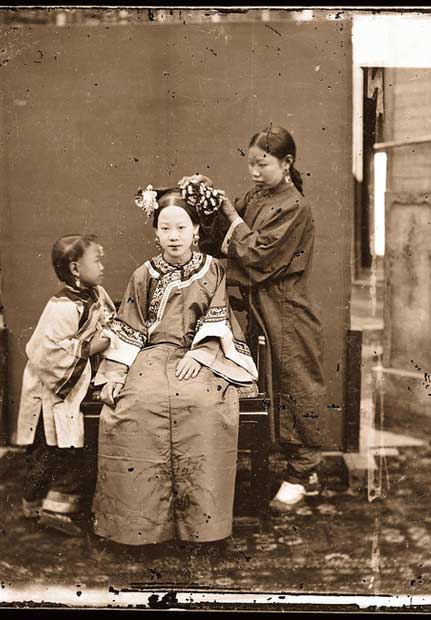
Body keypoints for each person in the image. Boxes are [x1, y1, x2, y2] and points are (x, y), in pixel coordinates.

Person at [92, 184, 257, 549]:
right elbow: (130, 324)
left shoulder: (212, 269)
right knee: (131, 407)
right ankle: (138, 527)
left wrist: (199, 355)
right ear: (155, 233)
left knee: (203, 405)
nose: (174, 236)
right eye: (165, 228)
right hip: (151, 354)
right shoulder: (143, 274)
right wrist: (116, 373)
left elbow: (218, 319)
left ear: (196, 230)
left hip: (201, 352)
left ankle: (202, 528)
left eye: (182, 227)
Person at [180, 125, 327, 513]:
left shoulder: (294, 206)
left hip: (286, 307)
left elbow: (257, 255)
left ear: (287, 163)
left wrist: (228, 211)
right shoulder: (260, 197)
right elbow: (221, 236)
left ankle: (301, 472)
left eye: (262, 164)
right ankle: (303, 470)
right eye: (250, 164)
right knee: (269, 383)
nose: (254, 172)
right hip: (259, 304)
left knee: (295, 382)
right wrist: (207, 200)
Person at [15, 234, 116, 536]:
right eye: (96, 260)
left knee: (70, 449)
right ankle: (36, 504)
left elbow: (108, 318)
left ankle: (56, 509)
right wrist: (93, 347)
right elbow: (46, 354)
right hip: (50, 387)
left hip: (73, 383)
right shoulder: (61, 306)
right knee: (48, 450)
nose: (102, 266)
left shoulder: (96, 292)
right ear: (75, 268)